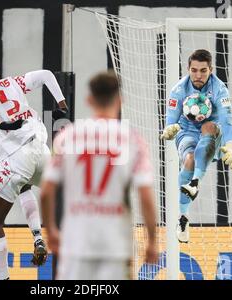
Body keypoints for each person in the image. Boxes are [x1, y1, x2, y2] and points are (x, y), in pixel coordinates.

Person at [40, 71, 158, 280]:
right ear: (120, 100)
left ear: (89, 100)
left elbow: (46, 192)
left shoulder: (67, 136)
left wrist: (51, 230)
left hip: (76, 241)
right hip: (115, 243)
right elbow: (146, 196)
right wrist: (152, 240)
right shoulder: (132, 140)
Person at [0, 57, 68, 280]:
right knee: (25, 187)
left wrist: (0, 123)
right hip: (41, 151)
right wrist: (61, 104)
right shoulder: (14, 82)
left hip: (17, 154)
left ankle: (3, 278)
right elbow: (47, 74)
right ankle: (38, 237)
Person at [160, 49, 232, 243]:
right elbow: (171, 119)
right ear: (188, 69)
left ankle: (194, 182)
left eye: (203, 70)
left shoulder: (220, 89)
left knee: (209, 126)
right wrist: (168, 130)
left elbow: (226, 121)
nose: (198, 75)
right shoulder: (178, 90)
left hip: (212, 134)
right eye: (194, 70)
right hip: (186, 133)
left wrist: (231, 145)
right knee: (189, 160)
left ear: (211, 69)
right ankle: (183, 218)